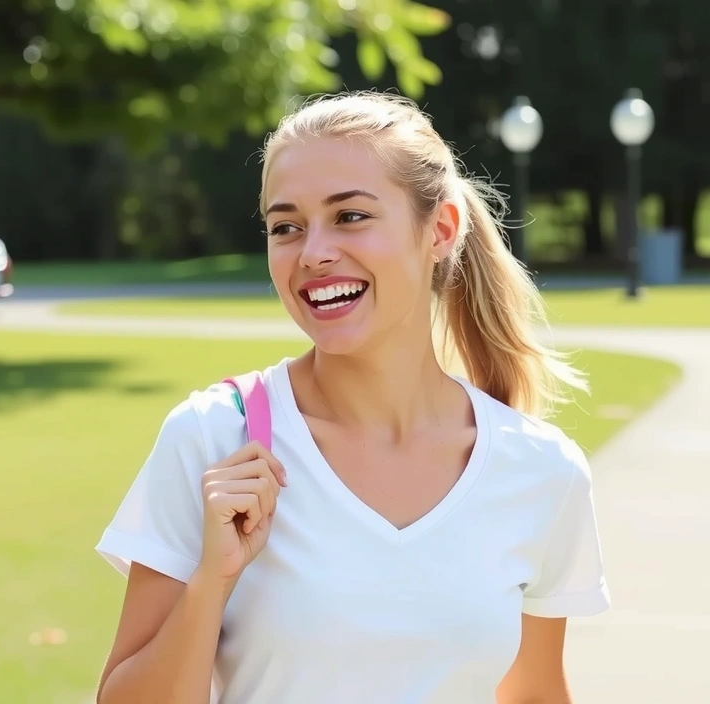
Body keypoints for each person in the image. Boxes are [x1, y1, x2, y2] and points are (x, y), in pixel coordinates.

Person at [93, 91, 610, 704]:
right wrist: (212, 580)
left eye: (350, 216)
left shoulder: (542, 469)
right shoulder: (213, 439)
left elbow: (534, 693)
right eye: (286, 227)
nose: (313, 253)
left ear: (440, 230)